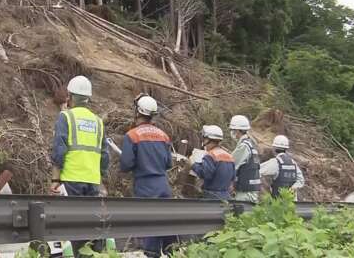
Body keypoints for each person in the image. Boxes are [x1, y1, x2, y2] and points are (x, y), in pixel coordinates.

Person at [50, 75, 109, 257]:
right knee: (91, 229)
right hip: (92, 182)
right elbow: (104, 155)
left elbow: (59, 150)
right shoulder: (98, 121)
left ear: (70, 96)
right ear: (88, 97)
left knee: (72, 229)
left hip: (71, 180)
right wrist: (101, 179)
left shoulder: (65, 117)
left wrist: (55, 179)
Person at [120, 94, 177, 257]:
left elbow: (126, 165)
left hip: (144, 186)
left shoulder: (132, 135)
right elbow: (168, 164)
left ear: (138, 112)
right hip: (163, 185)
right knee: (166, 225)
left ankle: (151, 253)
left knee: (150, 225)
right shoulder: (163, 135)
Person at [189, 125, 236, 200]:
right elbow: (232, 179)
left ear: (208, 140)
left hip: (211, 196)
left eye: (204, 139)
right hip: (226, 196)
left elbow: (206, 174)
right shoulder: (229, 157)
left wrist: (193, 164)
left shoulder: (210, 155)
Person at [260, 135, 305, 200]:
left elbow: (257, 171)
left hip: (278, 203)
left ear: (274, 148)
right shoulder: (293, 162)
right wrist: (293, 187)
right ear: (286, 148)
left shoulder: (275, 162)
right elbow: (301, 180)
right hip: (291, 202)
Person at [229, 115, 261, 202]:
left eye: (233, 130)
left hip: (244, 193)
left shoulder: (243, 147)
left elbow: (230, 164)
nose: (232, 132)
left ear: (238, 131)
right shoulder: (251, 144)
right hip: (251, 191)